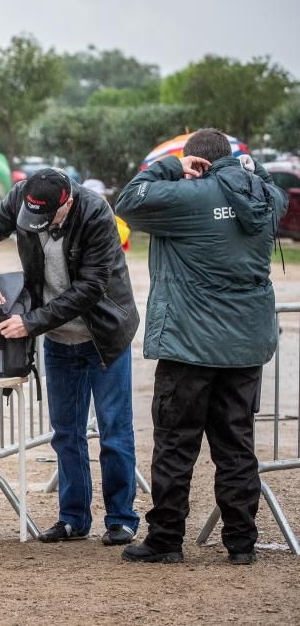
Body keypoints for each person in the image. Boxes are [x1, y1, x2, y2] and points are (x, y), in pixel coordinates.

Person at [115, 129, 286, 565]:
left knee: (175, 444)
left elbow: (129, 202)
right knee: (237, 445)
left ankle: (166, 539)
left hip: (188, 346)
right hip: (246, 345)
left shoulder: (188, 198)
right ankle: (242, 542)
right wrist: (246, 165)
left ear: (197, 163)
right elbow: (270, 186)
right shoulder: (266, 199)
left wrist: (173, 167)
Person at [0, 167, 141, 546]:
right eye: (33, 218)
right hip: (58, 340)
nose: (38, 225)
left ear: (68, 202)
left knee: (114, 431)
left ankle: (121, 520)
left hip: (104, 337)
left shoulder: (96, 213)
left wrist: (31, 322)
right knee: (66, 433)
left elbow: (91, 287)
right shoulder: (21, 197)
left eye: (48, 218)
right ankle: (73, 518)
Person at [82, 178, 130, 251]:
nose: (105, 198)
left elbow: (124, 246)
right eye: (102, 195)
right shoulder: (84, 222)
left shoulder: (114, 221)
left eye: (104, 195)